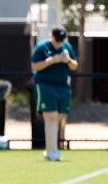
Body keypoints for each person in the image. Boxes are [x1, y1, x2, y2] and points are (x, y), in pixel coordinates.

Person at [30, 26, 78, 161]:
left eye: (61, 40)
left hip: (63, 87)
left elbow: (75, 65)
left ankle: (50, 149)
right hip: (45, 85)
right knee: (50, 116)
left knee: (59, 117)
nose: (59, 43)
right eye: (57, 40)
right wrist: (53, 59)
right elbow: (35, 66)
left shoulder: (67, 47)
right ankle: (53, 151)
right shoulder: (41, 47)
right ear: (51, 36)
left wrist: (67, 60)